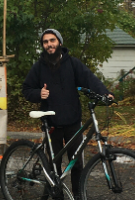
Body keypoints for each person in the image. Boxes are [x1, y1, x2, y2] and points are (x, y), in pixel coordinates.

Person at [22, 29, 114, 200]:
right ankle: (57, 195)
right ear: (43, 45)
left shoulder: (72, 63)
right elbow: (26, 89)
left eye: (52, 40)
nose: (49, 44)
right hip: (51, 122)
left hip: (73, 122)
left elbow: (89, 79)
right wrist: (37, 94)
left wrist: (104, 93)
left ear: (60, 42)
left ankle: (78, 194)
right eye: (45, 42)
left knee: (77, 162)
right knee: (54, 164)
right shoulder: (39, 67)